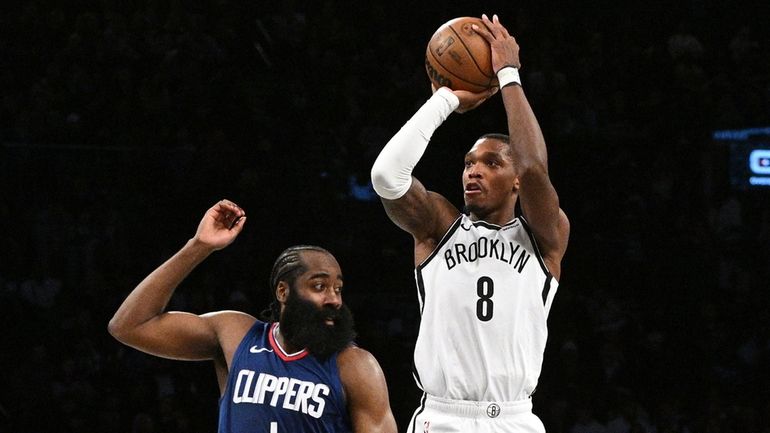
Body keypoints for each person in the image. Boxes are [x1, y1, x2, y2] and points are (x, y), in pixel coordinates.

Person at [370, 14, 570, 433]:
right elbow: (386, 177)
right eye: (468, 163)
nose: (472, 172)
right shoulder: (439, 225)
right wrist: (445, 99)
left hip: (515, 418)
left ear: (514, 181)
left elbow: (534, 168)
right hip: (442, 416)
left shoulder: (545, 236)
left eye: (491, 163)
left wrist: (508, 75)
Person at [108, 199, 397, 433]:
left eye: (338, 288)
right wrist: (198, 246)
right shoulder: (235, 334)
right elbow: (130, 325)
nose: (333, 299)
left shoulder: (355, 366)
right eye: (319, 286)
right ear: (283, 292)